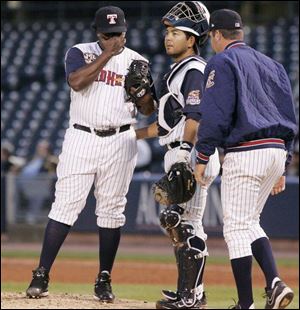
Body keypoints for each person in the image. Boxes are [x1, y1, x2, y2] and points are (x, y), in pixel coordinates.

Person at [26, 5, 156, 303]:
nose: (114, 38)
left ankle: (104, 278)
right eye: (108, 34)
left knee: (112, 210)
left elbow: (148, 110)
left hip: (121, 139)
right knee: (65, 205)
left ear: (126, 31)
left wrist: (142, 94)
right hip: (82, 137)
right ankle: (41, 273)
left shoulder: (138, 60)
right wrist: (108, 54)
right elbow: (76, 81)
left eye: (118, 33)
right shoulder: (79, 51)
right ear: (97, 33)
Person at [194, 9, 297, 309]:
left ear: (216, 34)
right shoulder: (273, 64)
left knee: (235, 228)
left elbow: (216, 115)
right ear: (239, 33)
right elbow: (289, 114)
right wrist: (285, 162)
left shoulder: (221, 61)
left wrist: (203, 153)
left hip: (246, 149)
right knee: (250, 222)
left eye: (210, 35)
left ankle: (245, 304)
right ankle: (275, 283)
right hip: (276, 149)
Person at [136, 2, 220, 308]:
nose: (168, 37)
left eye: (176, 32)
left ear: (192, 39)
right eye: (167, 32)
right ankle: (192, 292)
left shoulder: (195, 69)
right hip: (178, 149)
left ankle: (190, 299)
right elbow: (163, 126)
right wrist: (129, 134)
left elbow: (195, 117)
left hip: (191, 152)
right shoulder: (178, 70)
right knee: (179, 224)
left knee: (186, 225)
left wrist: (185, 153)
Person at [18, 140, 58, 224]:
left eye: (43, 148)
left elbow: (51, 174)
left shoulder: (50, 160)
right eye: (39, 148)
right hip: (28, 185)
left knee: (37, 197)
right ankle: (30, 215)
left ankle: (34, 216)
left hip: (44, 187)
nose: (40, 150)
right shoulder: (33, 159)